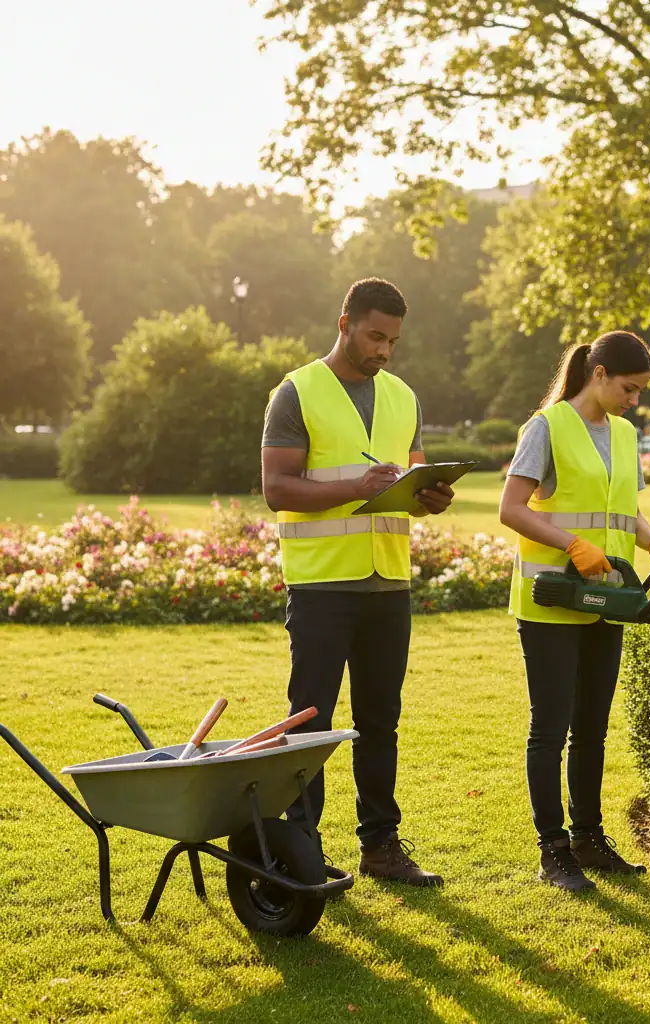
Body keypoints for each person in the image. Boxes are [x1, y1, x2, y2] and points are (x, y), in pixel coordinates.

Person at [261, 277, 454, 887]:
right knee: (310, 723)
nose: (384, 351)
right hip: (321, 586)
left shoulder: (403, 397)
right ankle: (304, 846)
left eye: (393, 341)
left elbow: (411, 484)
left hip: (387, 585)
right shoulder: (296, 392)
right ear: (345, 321)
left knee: (381, 721)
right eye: (375, 336)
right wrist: (355, 489)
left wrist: (431, 498)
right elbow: (277, 489)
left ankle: (381, 847)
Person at [499, 331, 650, 892]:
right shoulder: (547, 427)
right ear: (597, 373)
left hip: (609, 602)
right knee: (550, 728)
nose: (635, 400)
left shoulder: (625, 435)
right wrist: (569, 545)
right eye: (629, 388)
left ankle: (588, 839)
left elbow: (625, 509)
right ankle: (552, 851)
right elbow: (511, 508)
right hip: (554, 599)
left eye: (641, 392)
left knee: (593, 731)